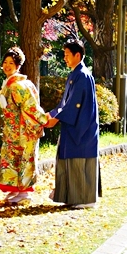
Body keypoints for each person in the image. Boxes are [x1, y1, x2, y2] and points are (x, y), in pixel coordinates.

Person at [0, 47, 52, 205]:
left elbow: (30, 107)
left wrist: (43, 120)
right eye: (5, 62)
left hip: (22, 129)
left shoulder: (17, 85)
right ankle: (16, 189)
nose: (7, 65)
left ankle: (24, 194)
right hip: (13, 129)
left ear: (18, 66)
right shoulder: (10, 83)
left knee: (23, 159)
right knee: (12, 159)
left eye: (11, 63)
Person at [46, 39, 101, 207]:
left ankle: (84, 199)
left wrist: (56, 118)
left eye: (67, 55)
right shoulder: (75, 74)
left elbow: (73, 104)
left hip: (82, 127)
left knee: (79, 159)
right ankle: (72, 196)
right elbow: (66, 103)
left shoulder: (83, 75)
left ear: (78, 55)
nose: (65, 58)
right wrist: (52, 114)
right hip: (74, 125)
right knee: (70, 158)